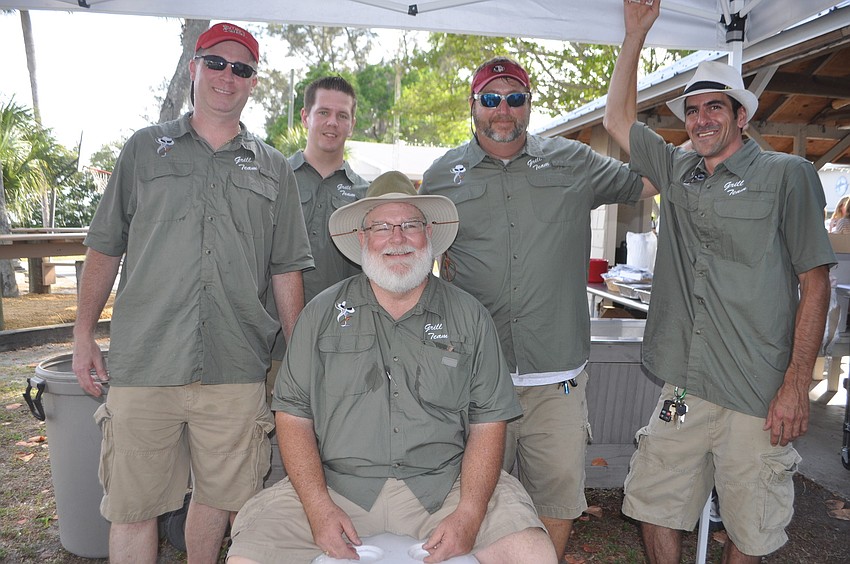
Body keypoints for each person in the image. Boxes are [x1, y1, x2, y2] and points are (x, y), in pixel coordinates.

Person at [72, 22, 313, 563]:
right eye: (217, 63)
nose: (228, 76)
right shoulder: (143, 150)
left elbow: (286, 268)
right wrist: (83, 333)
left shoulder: (274, 167)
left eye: (242, 68)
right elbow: (105, 246)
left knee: (223, 498)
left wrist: (298, 357)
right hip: (144, 361)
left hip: (235, 364)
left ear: (254, 82)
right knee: (134, 506)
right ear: (193, 67)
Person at [227, 171, 558, 564]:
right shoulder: (319, 316)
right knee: (247, 556)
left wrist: (469, 514)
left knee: (533, 553)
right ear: (363, 239)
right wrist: (318, 508)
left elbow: (489, 422)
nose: (397, 238)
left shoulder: (470, 316)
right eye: (381, 226)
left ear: (428, 235)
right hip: (336, 486)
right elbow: (294, 416)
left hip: (445, 484)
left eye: (409, 225)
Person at [603, 1, 834, 562]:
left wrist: (796, 384)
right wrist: (636, 34)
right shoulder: (678, 172)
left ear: (741, 115)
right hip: (685, 382)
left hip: (757, 391)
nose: (702, 119)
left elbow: (816, 282)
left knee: (751, 526)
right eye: (693, 111)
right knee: (654, 503)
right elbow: (618, 120)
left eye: (715, 107)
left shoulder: (788, 176)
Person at [419, 57, 656, 557]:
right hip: (477, 381)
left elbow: (650, 179)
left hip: (558, 378)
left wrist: (632, 43)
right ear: (473, 105)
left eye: (514, 98)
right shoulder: (442, 175)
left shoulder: (573, 161)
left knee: (557, 498)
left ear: (529, 104)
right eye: (490, 99)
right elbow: (417, 270)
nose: (502, 110)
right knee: (471, 502)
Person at [263, 76, 369, 487]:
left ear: (351, 124)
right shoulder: (271, 180)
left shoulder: (364, 195)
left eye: (342, 115)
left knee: (333, 453)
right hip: (273, 350)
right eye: (323, 112)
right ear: (306, 116)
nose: (332, 122)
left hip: (340, 350)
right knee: (270, 457)